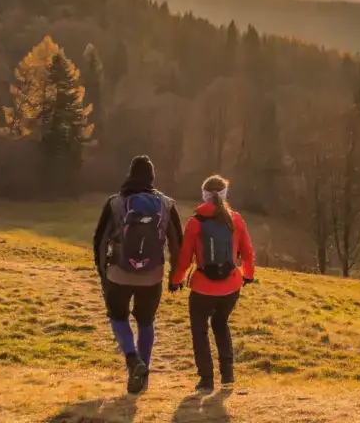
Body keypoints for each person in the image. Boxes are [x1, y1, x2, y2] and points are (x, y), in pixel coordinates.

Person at [92, 155, 183, 395]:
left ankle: (133, 361)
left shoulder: (115, 203)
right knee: (146, 322)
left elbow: (99, 240)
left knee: (118, 317)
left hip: (118, 274)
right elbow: (177, 244)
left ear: (130, 174)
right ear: (152, 177)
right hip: (152, 275)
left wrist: (103, 272)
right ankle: (143, 372)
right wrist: (175, 276)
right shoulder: (166, 204)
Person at [171, 175, 256, 393]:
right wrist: (248, 275)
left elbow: (184, 258)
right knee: (221, 324)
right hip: (231, 287)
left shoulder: (195, 222)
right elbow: (247, 253)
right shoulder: (235, 220)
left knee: (200, 331)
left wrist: (176, 280)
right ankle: (227, 375)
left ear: (204, 195)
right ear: (225, 194)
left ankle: (206, 380)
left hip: (202, 288)